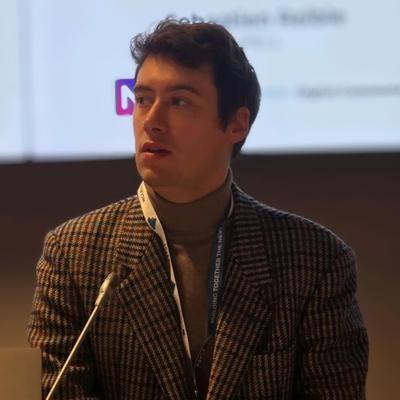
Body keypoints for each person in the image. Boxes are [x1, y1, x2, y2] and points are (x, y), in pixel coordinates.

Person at [28, 18, 368, 399]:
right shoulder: (72, 256)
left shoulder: (317, 262)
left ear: (237, 124)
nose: (151, 122)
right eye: (143, 100)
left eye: (179, 102)